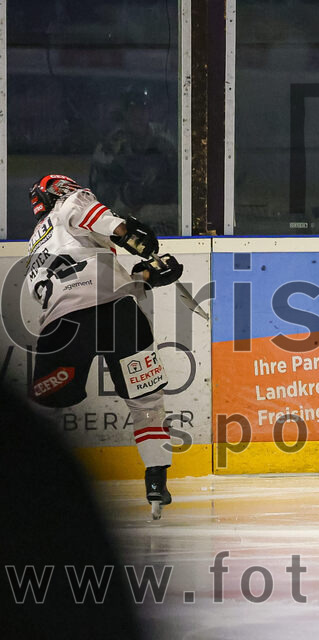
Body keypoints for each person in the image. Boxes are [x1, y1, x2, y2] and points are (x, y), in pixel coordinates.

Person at [24, 174, 183, 519]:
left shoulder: (36, 243)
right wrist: (130, 237)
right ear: (60, 191)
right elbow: (99, 220)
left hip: (60, 326)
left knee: (44, 408)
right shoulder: (71, 201)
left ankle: (28, 486)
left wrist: (143, 277)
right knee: (146, 400)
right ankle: (156, 479)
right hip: (117, 313)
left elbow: (76, 286)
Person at [90, 87, 178, 234]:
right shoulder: (109, 146)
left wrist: (157, 192)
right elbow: (98, 191)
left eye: (142, 110)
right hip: (123, 214)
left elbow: (180, 184)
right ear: (124, 114)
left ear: (149, 112)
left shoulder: (165, 142)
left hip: (158, 212)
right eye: (132, 111)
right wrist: (126, 193)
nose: (138, 116)